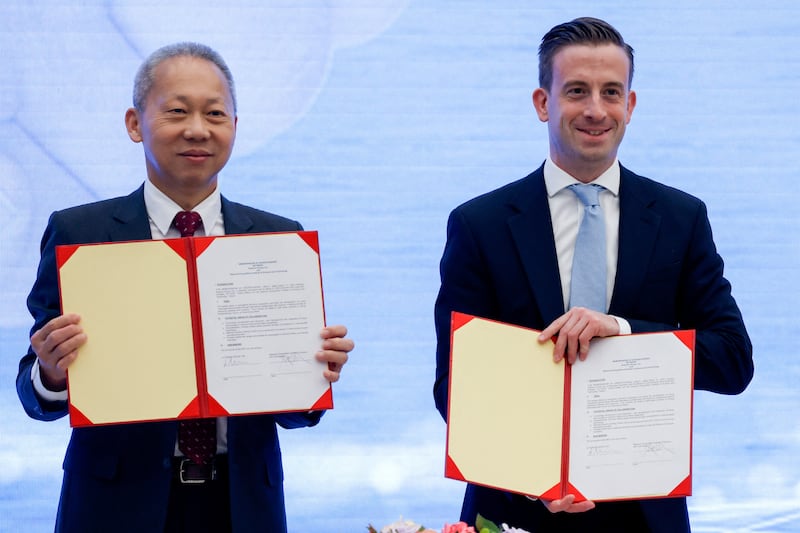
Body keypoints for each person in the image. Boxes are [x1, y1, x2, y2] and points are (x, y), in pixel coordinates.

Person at [16, 42, 354, 533]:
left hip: (241, 507)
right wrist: (50, 372)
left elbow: (295, 416)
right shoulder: (80, 233)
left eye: (215, 113)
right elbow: (34, 395)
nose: (198, 128)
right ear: (135, 123)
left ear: (235, 126)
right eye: (177, 111)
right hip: (113, 506)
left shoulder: (278, 240)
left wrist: (311, 374)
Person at [433, 17, 753, 533]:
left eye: (611, 92)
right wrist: (534, 476)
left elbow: (733, 360)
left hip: (646, 512)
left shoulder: (680, 217)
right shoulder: (480, 224)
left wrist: (622, 330)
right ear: (543, 103)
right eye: (577, 91)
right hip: (515, 509)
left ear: (630, 105)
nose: (595, 110)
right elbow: (454, 386)